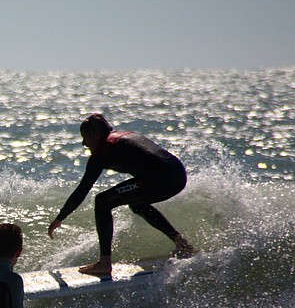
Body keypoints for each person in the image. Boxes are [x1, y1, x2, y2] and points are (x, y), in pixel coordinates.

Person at [48, 114, 194, 277]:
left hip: (159, 179)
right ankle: (181, 243)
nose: (84, 143)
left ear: (95, 135)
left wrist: (60, 217)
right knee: (137, 204)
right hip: (178, 175)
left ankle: (104, 263)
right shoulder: (124, 136)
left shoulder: (103, 151)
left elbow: (82, 190)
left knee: (102, 201)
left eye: (85, 138)